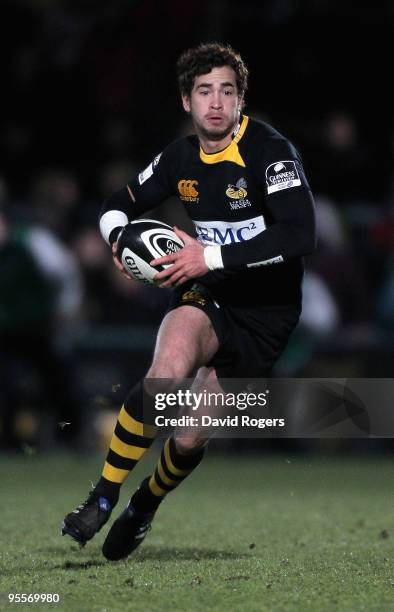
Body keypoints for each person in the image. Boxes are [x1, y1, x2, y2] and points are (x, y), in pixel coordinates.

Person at [62, 42, 316, 560]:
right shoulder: (179, 157)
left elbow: (300, 235)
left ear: (241, 99)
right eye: (204, 91)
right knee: (165, 376)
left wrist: (213, 257)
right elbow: (118, 204)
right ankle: (104, 495)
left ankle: (144, 505)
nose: (216, 102)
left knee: (189, 437)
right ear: (186, 101)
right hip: (207, 293)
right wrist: (118, 241)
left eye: (227, 90)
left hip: (267, 313)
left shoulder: (270, 153)